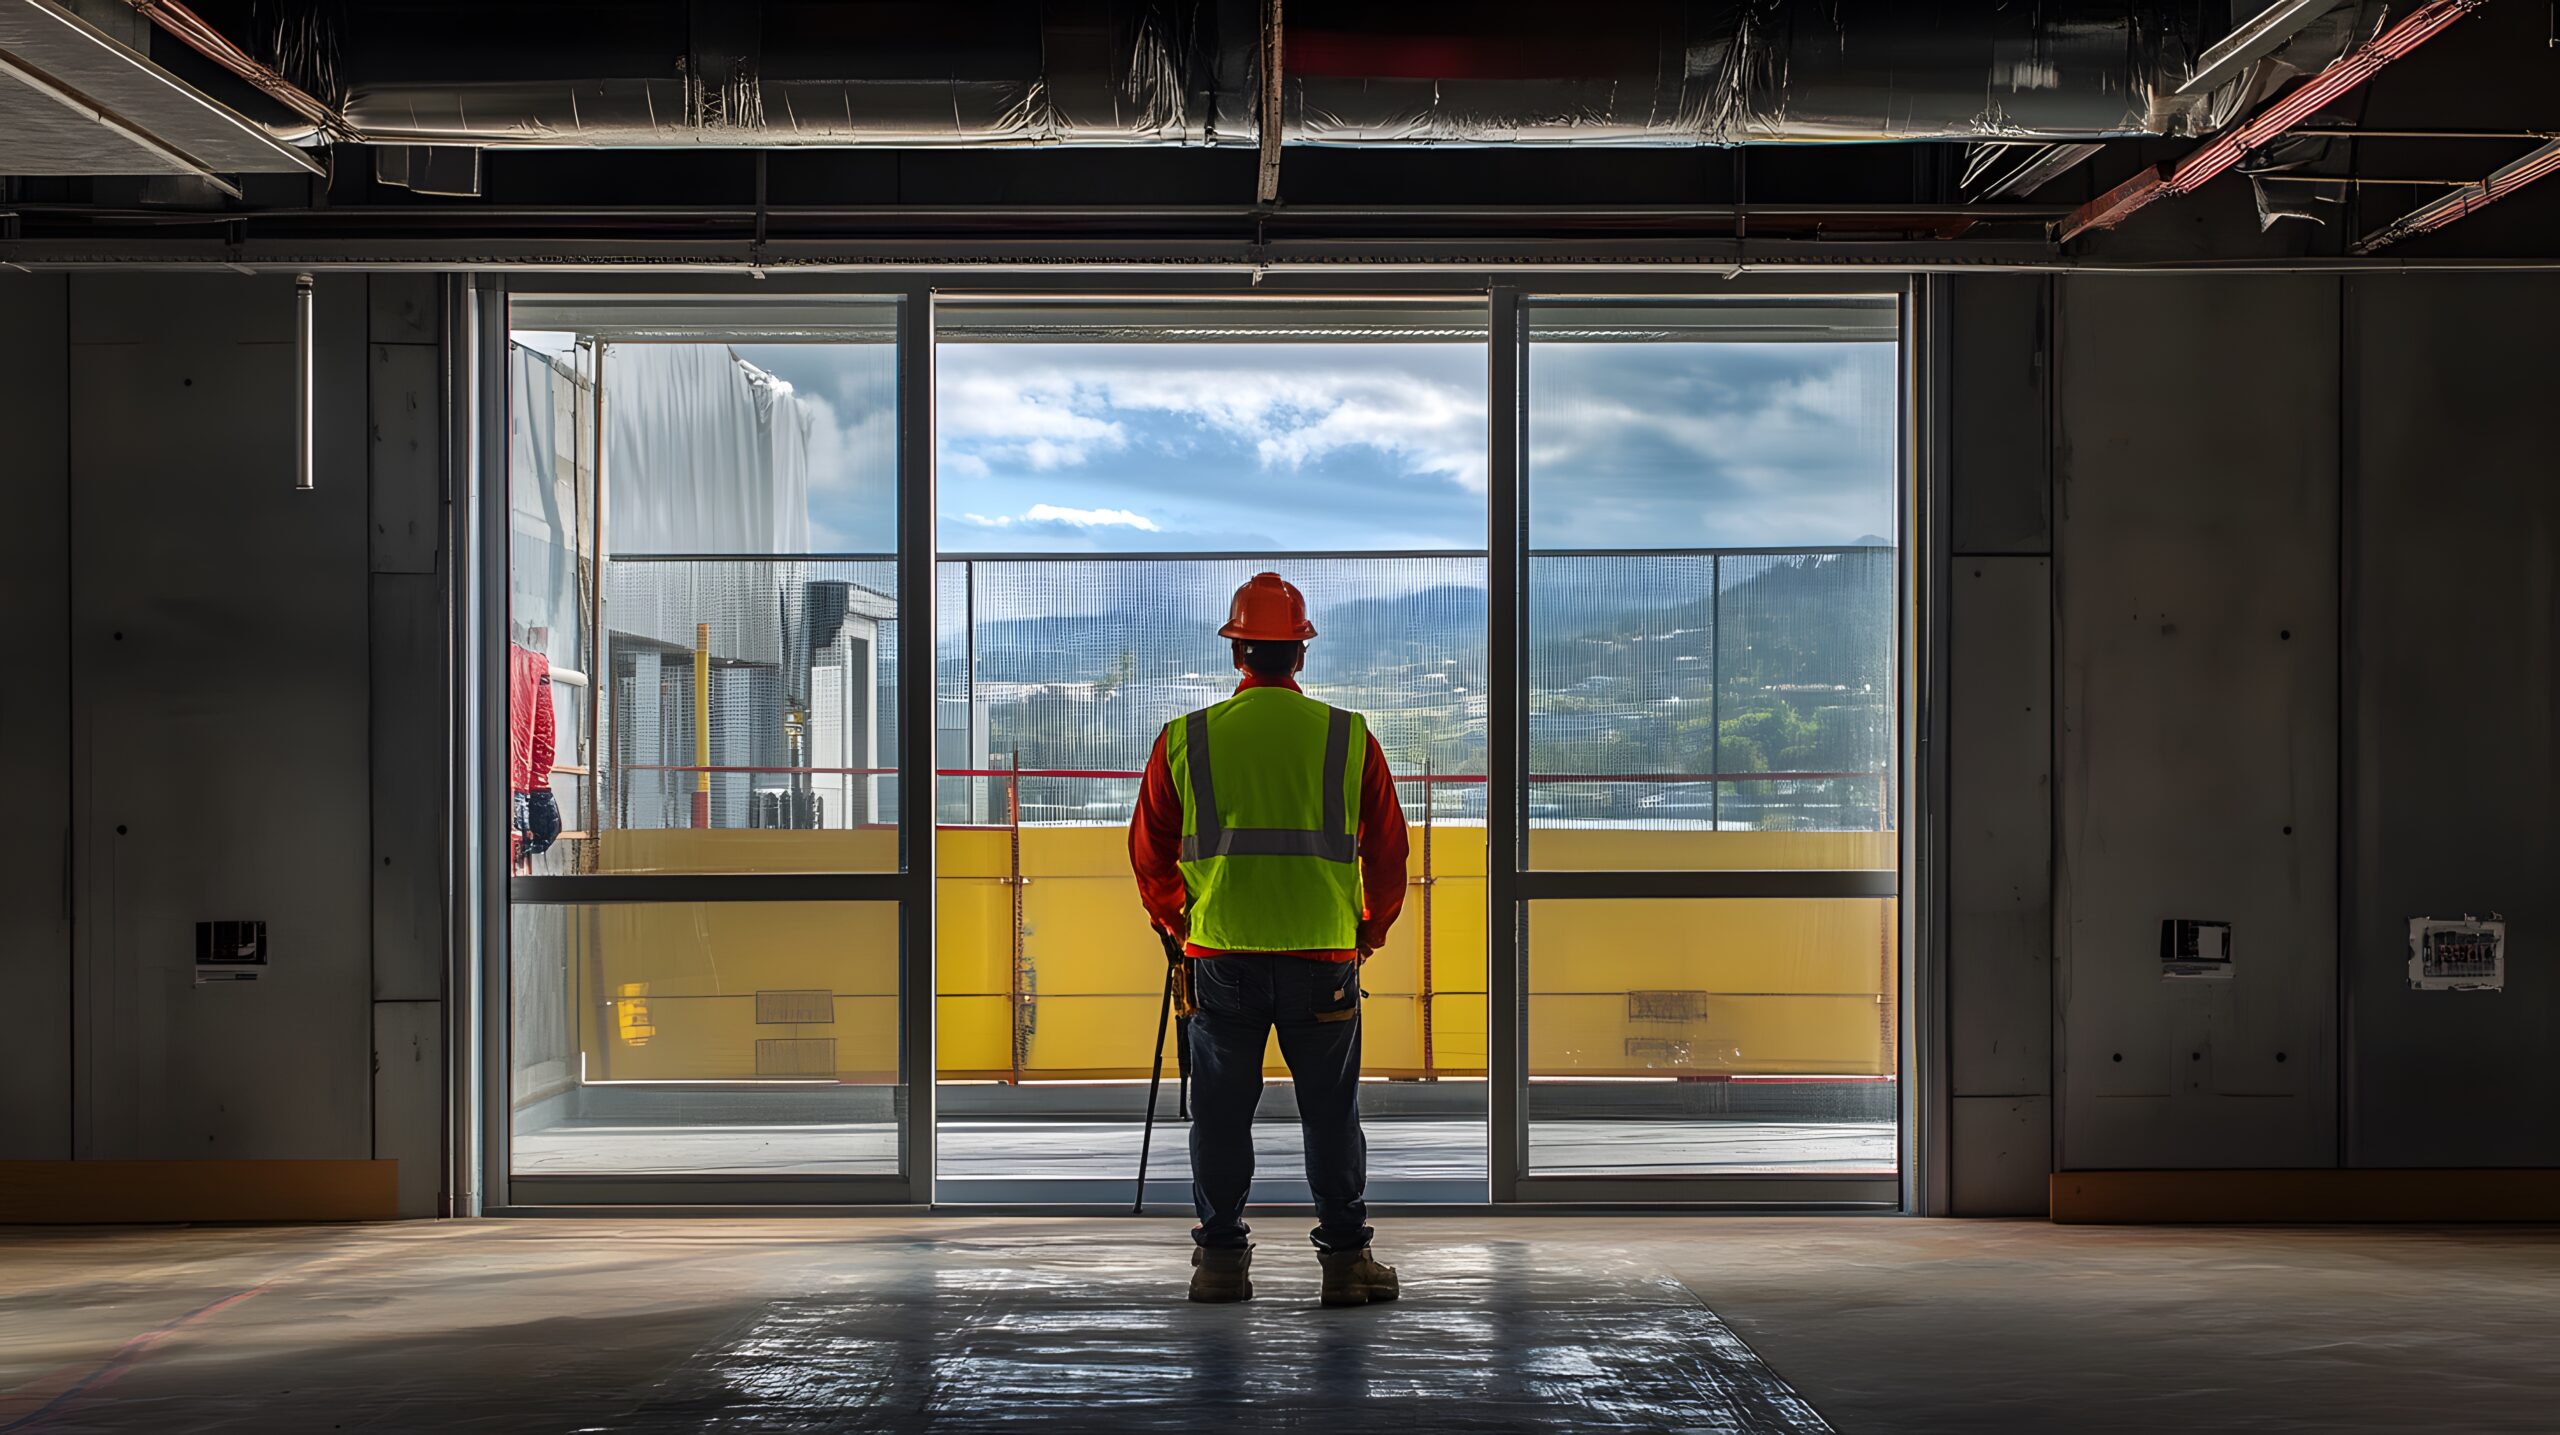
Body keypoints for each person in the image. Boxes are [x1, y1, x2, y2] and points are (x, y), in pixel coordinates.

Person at [1128, 572, 1410, 1306]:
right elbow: (1387, 852)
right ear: (1301, 656)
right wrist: (1368, 932)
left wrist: (1177, 923)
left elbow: (1149, 853)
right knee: (1330, 1111)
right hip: (1324, 958)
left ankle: (1221, 1262)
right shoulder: (1350, 737)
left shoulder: (1184, 739)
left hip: (1220, 957)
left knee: (1221, 1113)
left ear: (1237, 654)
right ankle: (1346, 1264)